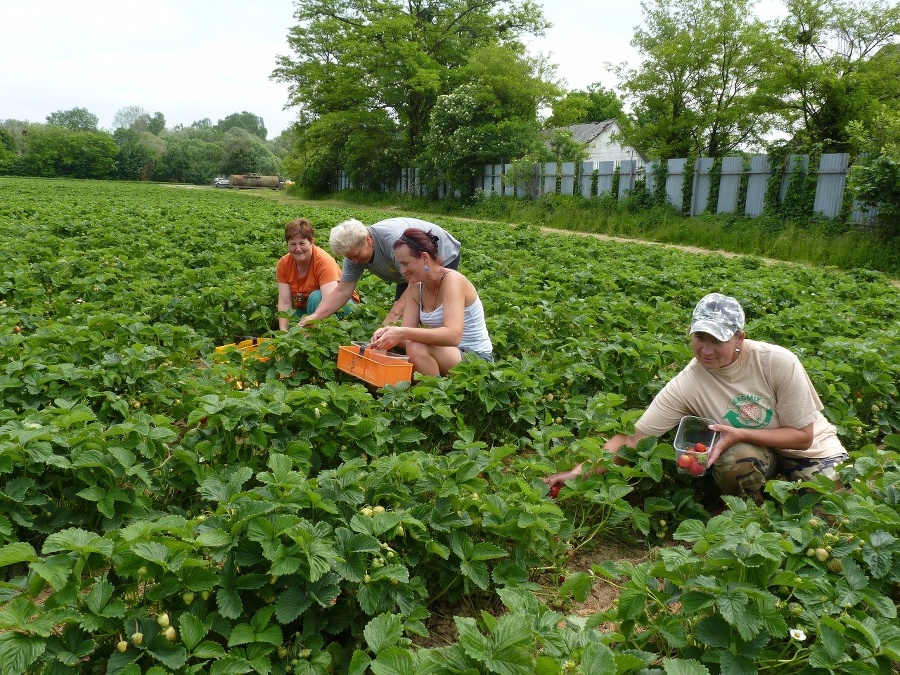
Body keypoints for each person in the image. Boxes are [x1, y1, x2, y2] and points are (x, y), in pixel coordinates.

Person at [546, 293, 848, 497]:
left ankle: (786, 486)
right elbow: (632, 438)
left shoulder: (776, 361)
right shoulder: (688, 382)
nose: (706, 350)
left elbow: (803, 436)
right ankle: (751, 505)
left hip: (809, 451)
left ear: (739, 337)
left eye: (717, 340)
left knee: (834, 510)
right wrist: (577, 474)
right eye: (699, 337)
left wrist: (737, 432)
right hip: (754, 454)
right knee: (736, 460)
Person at [366, 228, 493, 376]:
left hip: (476, 358)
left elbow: (453, 336)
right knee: (409, 347)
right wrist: (387, 335)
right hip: (447, 354)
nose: (402, 270)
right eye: (400, 264)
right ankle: (426, 387)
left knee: (416, 347)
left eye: (406, 263)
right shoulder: (415, 286)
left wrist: (402, 332)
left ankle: (435, 394)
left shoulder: (453, 281)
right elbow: (407, 335)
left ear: (425, 258)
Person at [298, 217, 461, 327]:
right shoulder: (354, 251)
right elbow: (342, 291)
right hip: (407, 270)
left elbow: (417, 281)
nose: (354, 261)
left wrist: (388, 323)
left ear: (368, 240)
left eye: (357, 255)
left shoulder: (395, 244)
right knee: (405, 319)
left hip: (440, 255)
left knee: (432, 310)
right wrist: (315, 316)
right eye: (349, 257)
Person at [276, 218, 359, 331]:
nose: (298, 249)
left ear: (312, 242)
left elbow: (328, 299)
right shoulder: (284, 264)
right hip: (307, 308)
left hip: (339, 305)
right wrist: (283, 330)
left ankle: (327, 332)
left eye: (302, 243)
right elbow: (285, 302)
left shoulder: (323, 261)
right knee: (293, 328)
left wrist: (311, 329)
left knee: (315, 297)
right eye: (293, 244)